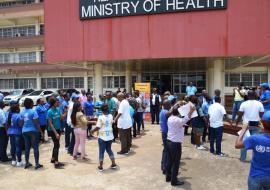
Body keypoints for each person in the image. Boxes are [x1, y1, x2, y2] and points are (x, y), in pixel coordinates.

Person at [235, 111, 270, 190]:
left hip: (256, 175)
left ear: (263, 123)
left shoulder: (255, 139)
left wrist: (243, 130)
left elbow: (237, 145)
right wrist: (264, 130)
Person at [166, 104, 195, 186]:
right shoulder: (178, 120)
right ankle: (174, 181)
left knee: (169, 161)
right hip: (175, 144)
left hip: (169, 141)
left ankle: (168, 177)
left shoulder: (170, 118)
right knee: (176, 162)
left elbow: (182, 121)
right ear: (178, 113)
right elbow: (186, 118)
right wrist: (191, 111)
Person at [235, 90, 264, 161]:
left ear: (247, 96)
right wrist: (258, 118)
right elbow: (261, 113)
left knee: (244, 142)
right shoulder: (259, 103)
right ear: (255, 95)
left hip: (246, 126)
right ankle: (255, 158)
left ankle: (242, 158)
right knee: (256, 142)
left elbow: (240, 114)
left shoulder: (244, 103)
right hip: (256, 124)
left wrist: (237, 122)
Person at [91, 104, 117, 171]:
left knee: (101, 151)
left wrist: (92, 131)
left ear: (101, 110)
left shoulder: (100, 117)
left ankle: (100, 166)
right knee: (109, 149)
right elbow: (112, 122)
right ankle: (113, 163)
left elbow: (98, 127)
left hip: (102, 137)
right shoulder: (111, 116)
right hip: (110, 136)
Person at [20, 98, 43, 170]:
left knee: (27, 147)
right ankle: (37, 164)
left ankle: (27, 163)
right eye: (32, 103)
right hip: (33, 131)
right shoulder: (33, 112)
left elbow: (21, 123)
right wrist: (41, 132)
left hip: (24, 131)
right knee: (35, 147)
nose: (33, 104)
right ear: (30, 104)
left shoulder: (22, 112)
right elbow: (36, 123)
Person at [47, 98, 66, 169]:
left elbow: (61, 118)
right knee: (57, 145)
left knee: (56, 145)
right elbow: (50, 124)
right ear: (53, 103)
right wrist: (56, 133)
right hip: (53, 131)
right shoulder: (49, 112)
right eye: (57, 103)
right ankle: (56, 163)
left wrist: (66, 112)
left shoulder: (58, 109)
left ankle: (53, 159)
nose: (58, 104)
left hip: (58, 129)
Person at [159, 99, 172, 174]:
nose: (171, 105)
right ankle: (165, 167)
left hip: (164, 132)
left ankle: (163, 166)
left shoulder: (162, 111)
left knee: (165, 150)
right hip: (166, 133)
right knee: (167, 151)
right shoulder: (166, 112)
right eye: (169, 104)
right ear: (167, 105)